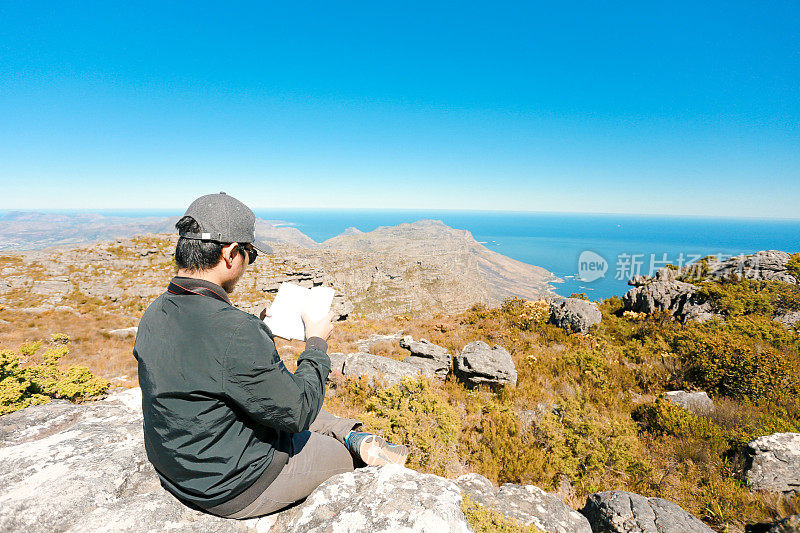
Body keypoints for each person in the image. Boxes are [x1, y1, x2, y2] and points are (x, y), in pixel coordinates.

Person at [134, 192, 408, 519]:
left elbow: (205, 361)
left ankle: (350, 432)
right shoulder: (234, 332)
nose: (248, 263)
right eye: (250, 253)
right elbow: (298, 412)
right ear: (231, 253)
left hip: (179, 467)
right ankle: (348, 444)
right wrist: (317, 343)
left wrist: (255, 325)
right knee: (333, 450)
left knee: (277, 400)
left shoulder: (156, 311)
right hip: (231, 487)